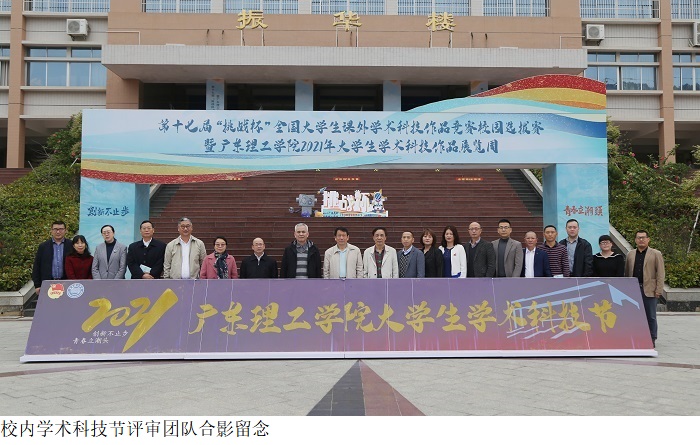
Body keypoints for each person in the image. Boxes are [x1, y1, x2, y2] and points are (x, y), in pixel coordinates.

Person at [625, 230, 665, 347]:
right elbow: (627, 273)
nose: (641, 240)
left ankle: (652, 338)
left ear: (648, 239)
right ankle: (637, 337)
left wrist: (659, 289)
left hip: (649, 290)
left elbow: (660, 273)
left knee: (651, 316)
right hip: (633, 289)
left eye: (643, 237)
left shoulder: (656, 253)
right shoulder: (630, 254)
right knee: (634, 315)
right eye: (639, 238)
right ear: (635, 240)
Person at [32, 220, 74, 293]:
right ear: (51, 230)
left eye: (61, 229)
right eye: (55, 229)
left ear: (65, 230)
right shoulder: (43, 246)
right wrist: (37, 285)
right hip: (48, 284)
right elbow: (37, 266)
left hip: (67, 283)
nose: (58, 232)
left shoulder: (71, 245)